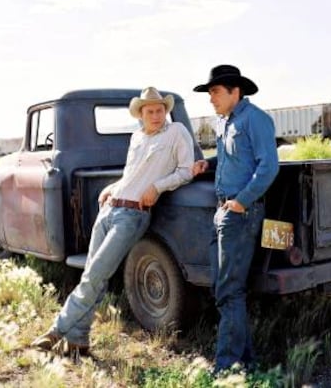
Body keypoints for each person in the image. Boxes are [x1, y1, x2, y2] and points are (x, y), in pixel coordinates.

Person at [32, 86, 194, 355]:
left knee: (95, 276)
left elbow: (186, 171)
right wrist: (114, 186)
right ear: (140, 114)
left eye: (160, 110)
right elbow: (132, 173)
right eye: (150, 111)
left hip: (132, 216)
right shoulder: (137, 137)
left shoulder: (176, 133)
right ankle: (79, 340)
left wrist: (158, 187)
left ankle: (55, 331)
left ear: (166, 111)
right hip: (110, 209)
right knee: (92, 276)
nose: (156, 115)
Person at [192, 65, 279, 374]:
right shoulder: (225, 122)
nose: (211, 99)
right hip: (223, 211)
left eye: (215, 92)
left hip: (240, 213)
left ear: (234, 91)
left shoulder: (256, 120)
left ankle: (227, 366)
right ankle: (246, 360)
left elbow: (268, 167)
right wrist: (208, 163)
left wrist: (241, 202)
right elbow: (233, 158)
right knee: (221, 287)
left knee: (229, 290)